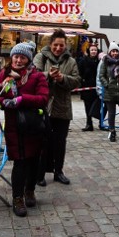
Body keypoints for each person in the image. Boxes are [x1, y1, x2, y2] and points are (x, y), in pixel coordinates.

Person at [0, 43, 49, 216]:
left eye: (22, 57)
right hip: (14, 126)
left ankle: (29, 190)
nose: (18, 60)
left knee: (33, 160)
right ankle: (17, 198)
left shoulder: (36, 77)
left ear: (28, 59)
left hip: (33, 125)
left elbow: (43, 98)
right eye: (16, 56)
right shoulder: (4, 75)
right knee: (20, 162)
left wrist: (22, 99)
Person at [34, 29, 81, 185]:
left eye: (61, 45)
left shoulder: (71, 61)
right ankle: (39, 174)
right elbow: (33, 76)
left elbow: (76, 81)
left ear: (65, 45)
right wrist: (48, 75)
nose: (58, 48)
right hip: (44, 106)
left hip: (62, 107)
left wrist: (62, 78)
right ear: (50, 44)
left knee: (60, 142)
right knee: (42, 142)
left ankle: (58, 171)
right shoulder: (41, 56)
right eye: (56, 45)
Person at [77, 43, 100, 131]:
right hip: (86, 87)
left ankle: (101, 123)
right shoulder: (83, 60)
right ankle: (89, 123)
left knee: (97, 105)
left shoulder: (99, 61)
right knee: (87, 106)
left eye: (95, 50)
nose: (93, 52)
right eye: (92, 50)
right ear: (89, 51)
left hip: (97, 87)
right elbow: (80, 72)